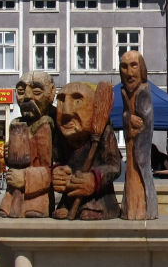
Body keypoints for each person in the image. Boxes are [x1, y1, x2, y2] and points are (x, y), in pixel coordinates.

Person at [51, 82, 120, 220]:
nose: (66, 111)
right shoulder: (60, 136)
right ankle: (69, 206)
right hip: (71, 197)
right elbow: (57, 159)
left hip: (99, 199)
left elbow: (114, 166)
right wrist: (57, 172)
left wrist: (95, 179)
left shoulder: (104, 133)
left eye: (77, 101)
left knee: (91, 209)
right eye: (61, 101)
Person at [0, 70, 56, 218]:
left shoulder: (45, 125)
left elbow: (48, 168)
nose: (27, 97)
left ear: (51, 93)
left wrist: (25, 178)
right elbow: (14, 162)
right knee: (6, 211)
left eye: (36, 91)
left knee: (32, 212)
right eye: (21, 91)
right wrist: (9, 154)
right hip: (13, 193)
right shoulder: (16, 123)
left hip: (36, 195)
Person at [119, 50, 158, 220]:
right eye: (124, 67)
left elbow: (147, 121)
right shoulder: (124, 92)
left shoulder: (144, 90)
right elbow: (127, 114)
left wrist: (136, 124)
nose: (129, 72)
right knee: (131, 175)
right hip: (129, 144)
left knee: (140, 174)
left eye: (133, 65)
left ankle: (143, 209)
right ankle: (131, 209)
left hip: (139, 147)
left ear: (141, 68)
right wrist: (128, 118)